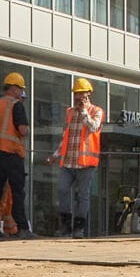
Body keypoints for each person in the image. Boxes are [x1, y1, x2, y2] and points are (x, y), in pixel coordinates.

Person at [0, 71, 31, 236]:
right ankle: (22, 228)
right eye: (20, 89)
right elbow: (22, 130)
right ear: (14, 88)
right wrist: (27, 131)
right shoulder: (16, 105)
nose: (21, 92)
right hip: (12, 154)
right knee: (17, 193)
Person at [57, 76, 105, 237]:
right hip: (68, 161)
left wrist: (84, 111)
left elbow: (93, 127)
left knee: (83, 195)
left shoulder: (96, 111)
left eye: (81, 93)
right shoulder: (69, 112)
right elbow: (66, 136)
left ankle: (79, 227)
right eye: (76, 93)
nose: (78, 97)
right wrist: (56, 154)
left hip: (86, 163)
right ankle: (65, 225)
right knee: (62, 190)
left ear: (88, 94)